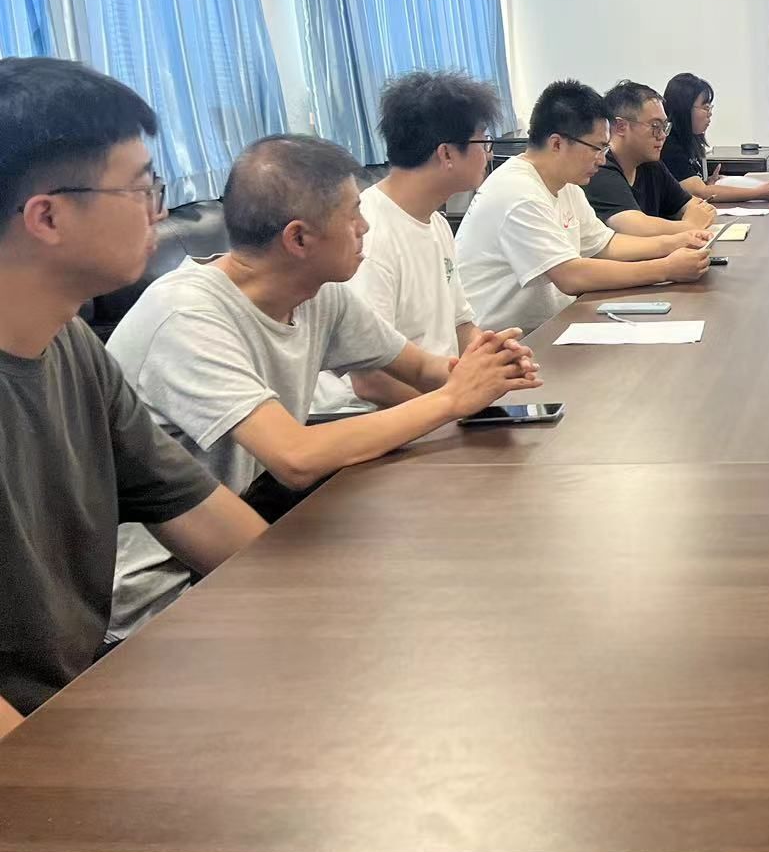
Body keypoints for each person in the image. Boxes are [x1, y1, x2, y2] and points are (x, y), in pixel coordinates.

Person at [105, 135, 540, 641]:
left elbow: (422, 368)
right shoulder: (186, 316)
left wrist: (487, 367)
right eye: (352, 214)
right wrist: (451, 399)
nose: (365, 227)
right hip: (165, 592)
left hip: (255, 529)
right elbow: (295, 456)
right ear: (299, 239)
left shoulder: (315, 294)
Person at [0, 59, 266, 733]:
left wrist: (328, 619)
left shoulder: (71, 343)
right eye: (143, 187)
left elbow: (200, 515)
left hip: (80, 702)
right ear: (47, 216)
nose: (160, 210)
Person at [314, 71, 504, 413]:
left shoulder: (436, 222)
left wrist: (493, 360)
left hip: (436, 401)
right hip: (375, 419)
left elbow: (462, 326)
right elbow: (371, 381)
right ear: (447, 154)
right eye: (483, 142)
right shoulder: (367, 236)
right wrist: (455, 410)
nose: (488, 155)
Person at [456, 80, 712, 333]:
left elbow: (605, 245)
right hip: (510, 341)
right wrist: (665, 269)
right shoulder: (518, 192)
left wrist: (678, 241)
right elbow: (571, 276)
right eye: (597, 148)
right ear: (557, 144)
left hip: (554, 325)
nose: (602, 159)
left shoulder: (566, 185)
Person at [587, 80, 717, 235]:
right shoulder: (599, 168)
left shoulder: (651, 165)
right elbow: (634, 227)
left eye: (664, 127)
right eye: (655, 126)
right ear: (621, 127)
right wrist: (690, 226)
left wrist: (693, 219)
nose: (662, 136)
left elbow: (699, 207)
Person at [660, 73, 769, 204]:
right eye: (705, 107)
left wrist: (707, 183)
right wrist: (759, 193)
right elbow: (699, 193)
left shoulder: (691, 141)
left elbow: (694, 188)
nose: (710, 113)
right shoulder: (669, 145)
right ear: (684, 109)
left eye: (710, 107)